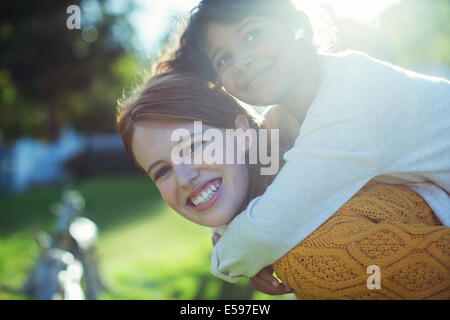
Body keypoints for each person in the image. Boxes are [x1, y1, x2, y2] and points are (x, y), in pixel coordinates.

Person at [155, 0, 450, 285]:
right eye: (223, 59)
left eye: (252, 34)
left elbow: (268, 231)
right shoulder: (288, 114)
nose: (242, 61)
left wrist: (227, 257)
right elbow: (253, 192)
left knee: (309, 255)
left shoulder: (348, 103)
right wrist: (243, 245)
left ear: (300, 25)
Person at [116, 72, 450, 299]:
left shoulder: (308, 253)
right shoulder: (282, 151)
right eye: (162, 171)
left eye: (193, 146)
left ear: (243, 133)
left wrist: (233, 253)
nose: (185, 177)